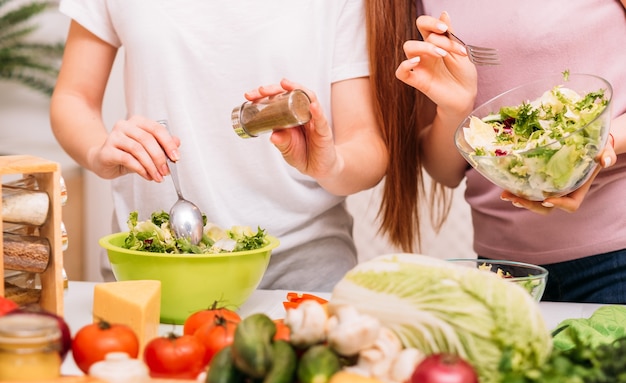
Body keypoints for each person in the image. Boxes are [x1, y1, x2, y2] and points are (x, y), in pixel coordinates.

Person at [49, 1, 388, 292]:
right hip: (149, 262)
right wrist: (98, 151)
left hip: (299, 270)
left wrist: (331, 164)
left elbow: (367, 143)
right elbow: (73, 97)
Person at [375, 0, 626, 303]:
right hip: (505, 272)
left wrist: (597, 144)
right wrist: (455, 108)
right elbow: (444, 172)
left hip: (615, 258)